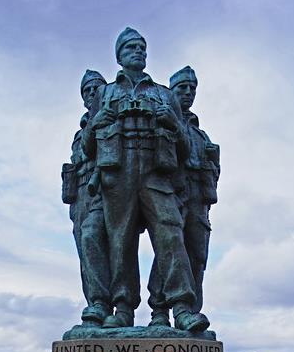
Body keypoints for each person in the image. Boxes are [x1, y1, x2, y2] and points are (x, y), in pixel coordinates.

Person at [82, 28, 210, 332]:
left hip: (156, 174)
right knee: (120, 241)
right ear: (119, 55)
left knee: (170, 234)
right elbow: (89, 147)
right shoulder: (106, 93)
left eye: (142, 47)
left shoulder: (164, 94)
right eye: (130, 48)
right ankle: (123, 308)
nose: (138, 51)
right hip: (118, 173)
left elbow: (186, 147)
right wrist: (95, 125)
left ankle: (180, 307)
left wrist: (173, 124)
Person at [147, 66, 220, 325]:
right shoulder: (161, 121)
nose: (188, 93)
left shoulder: (201, 135)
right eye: (182, 88)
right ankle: (160, 311)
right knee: (169, 248)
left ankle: (190, 313)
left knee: (197, 256)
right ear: (171, 92)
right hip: (173, 193)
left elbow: (214, 170)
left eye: (192, 89)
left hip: (199, 200)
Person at [61, 70, 112, 326]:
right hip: (80, 195)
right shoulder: (80, 132)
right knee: (86, 252)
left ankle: (109, 303)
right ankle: (96, 306)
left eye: (96, 89)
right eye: (87, 90)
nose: (92, 94)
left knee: (100, 242)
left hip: (105, 190)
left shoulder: (111, 120)